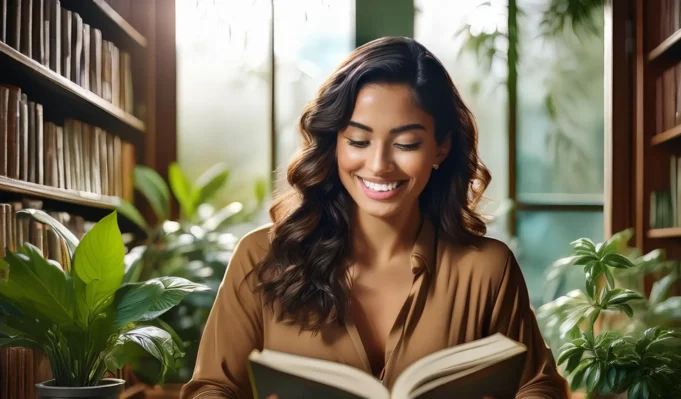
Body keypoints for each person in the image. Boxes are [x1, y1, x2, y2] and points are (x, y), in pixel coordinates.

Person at [180, 36, 568, 399]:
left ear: (440, 148)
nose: (379, 165)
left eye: (406, 144)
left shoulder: (487, 269)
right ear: (334, 143)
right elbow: (211, 387)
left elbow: (539, 386)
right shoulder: (261, 257)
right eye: (359, 141)